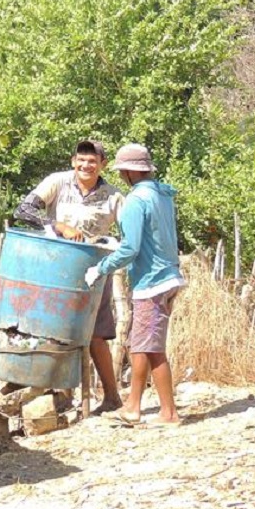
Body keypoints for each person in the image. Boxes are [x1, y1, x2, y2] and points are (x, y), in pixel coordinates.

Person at [14, 139, 124, 414]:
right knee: (55, 331)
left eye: (93, 161)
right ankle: (60, 396)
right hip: (57, 269)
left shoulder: (113, 196)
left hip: (95, 271)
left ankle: (112, 397)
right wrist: (57, 225)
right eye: (81, 160)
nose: (86, 165)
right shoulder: (57, 182)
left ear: (102, 165)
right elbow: (23, 211)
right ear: (73, 161)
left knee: (96, 334)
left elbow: (131, 232)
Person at [84, 143, 186, 427]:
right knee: (142, 344)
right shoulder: (162, 195)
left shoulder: (135, 201)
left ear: (128, 172)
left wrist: (101, 268)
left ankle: (168, 413)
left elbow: (130, 249)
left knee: (151, 349)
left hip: (151, 281)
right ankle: (133, 405)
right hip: (169, 276)